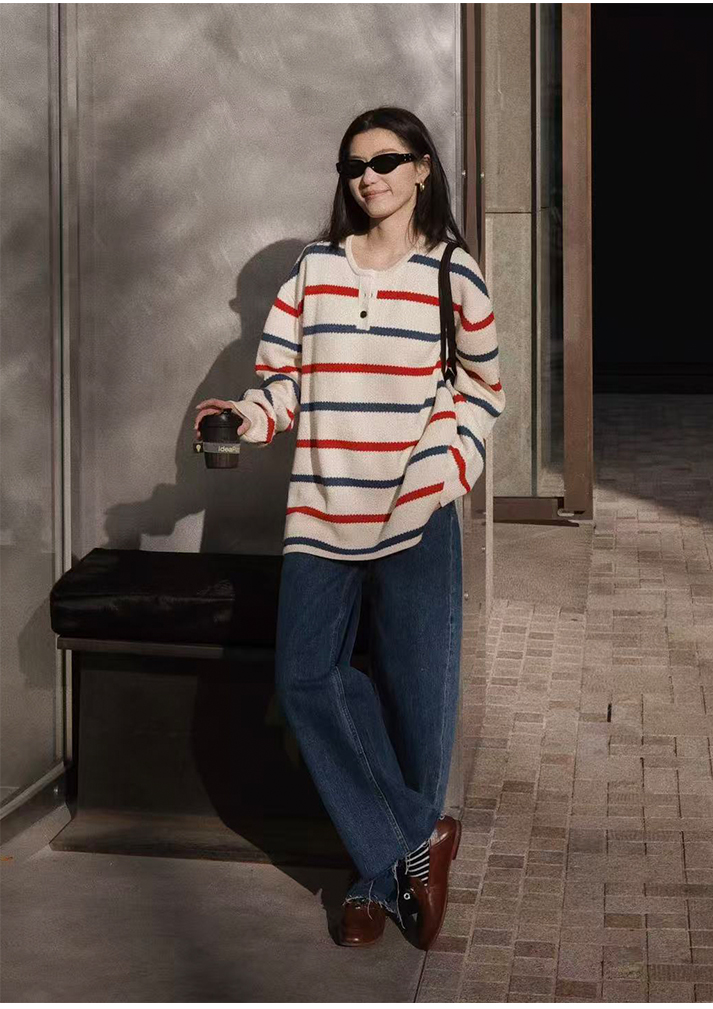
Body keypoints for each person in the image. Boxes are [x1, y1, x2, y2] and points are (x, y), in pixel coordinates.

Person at [194, 106, 505, 949]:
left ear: (422, 168)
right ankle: (415, 842)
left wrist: (448, 469)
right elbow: (285, 381)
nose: (369, 177)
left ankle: (375, 880)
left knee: (416, 705)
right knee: (306, 679)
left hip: (416, 513)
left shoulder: (454, 273)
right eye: (354, 165)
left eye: (386, 161)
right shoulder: (316, 269)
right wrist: (248, 417)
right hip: (323, 510)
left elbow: (485, 389)